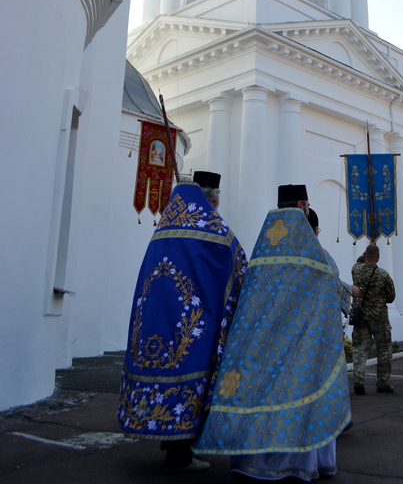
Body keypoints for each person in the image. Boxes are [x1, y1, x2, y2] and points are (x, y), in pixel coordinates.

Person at [193, 184, 352, 481]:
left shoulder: (264, 246)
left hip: (258, 344)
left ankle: (249, 463)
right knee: (295, 395)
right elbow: (331, 288)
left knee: (257, 394)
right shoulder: (313, 252)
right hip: (298, 343)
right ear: (303, 205)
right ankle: (295, 465)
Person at [117, 171, 247, 472]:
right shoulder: (215, 231)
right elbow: (238, 265)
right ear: (213, 199)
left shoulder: (164, 229)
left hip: (156, 319)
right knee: (190, 372)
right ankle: (180, 454)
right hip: (193, 324)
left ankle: (172, 445)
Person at [351, 243, 395, 395]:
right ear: (378, 257)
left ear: (365, 255)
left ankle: (358, 381)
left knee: (359, 349)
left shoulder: (356, 270)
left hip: (361, 316)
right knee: (383, 350)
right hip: (379, 318)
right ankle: (382, 383)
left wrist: (364, 255)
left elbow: (358, 263)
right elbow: (391, 297)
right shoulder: (383, 275)